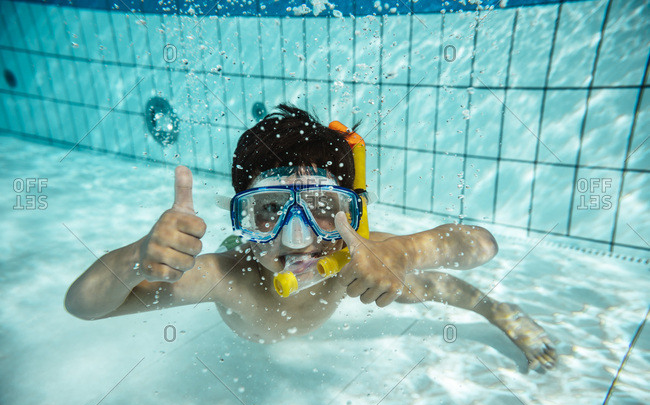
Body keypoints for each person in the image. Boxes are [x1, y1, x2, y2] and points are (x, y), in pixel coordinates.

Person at [65, 104, 557, 370]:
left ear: (351, 217)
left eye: (323, 211)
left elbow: (481, 245)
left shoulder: (357, 259)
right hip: (249, 324)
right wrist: (135, 257)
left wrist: (405, 251)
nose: (297, 241)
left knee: (420, 286)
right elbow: (83, 306)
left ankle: (499, 314)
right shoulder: (226, 276)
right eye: (269, 212)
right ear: (242, 219)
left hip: (353, 265)